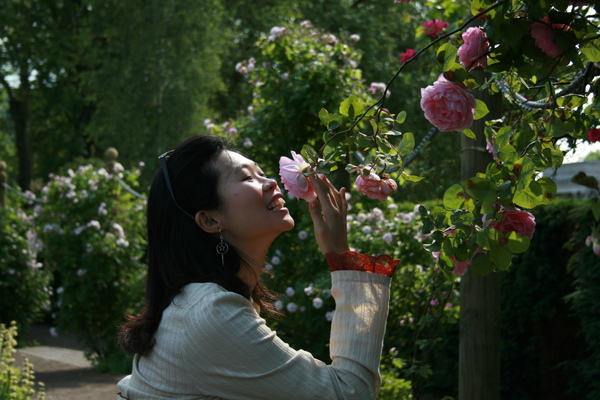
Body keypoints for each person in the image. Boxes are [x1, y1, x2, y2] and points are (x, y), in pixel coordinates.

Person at [117, 135, 399, 400]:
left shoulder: (202, 302)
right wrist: (341, 258)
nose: (271, 182)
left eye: (262, 172)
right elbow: (350, 392)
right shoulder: (210, 313)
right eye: (246, 177)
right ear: (210, 220)